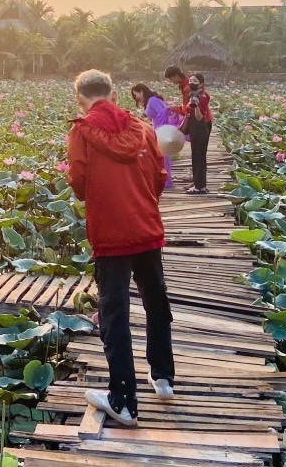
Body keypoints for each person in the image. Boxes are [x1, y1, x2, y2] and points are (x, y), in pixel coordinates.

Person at [68, 69, 175, 427]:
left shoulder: (81, 132)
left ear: (81, 100)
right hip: (146, 227)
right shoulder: (143, 129)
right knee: (156, 301)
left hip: (111, 235)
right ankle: (162, 378)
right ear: (113, 95)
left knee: (115, 315)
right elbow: (160, 177)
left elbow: (79, 185)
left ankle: (124, 402)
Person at [131, 83, 181, 189]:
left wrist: (161, 129)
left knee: (163, 155)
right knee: (161, 155)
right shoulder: (152, 100)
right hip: (158, 129)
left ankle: (166, 180)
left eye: (136, 95)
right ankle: (163, 179)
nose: (136, 98)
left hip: (161, 129)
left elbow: (163, 112)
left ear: (141, 91)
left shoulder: (153, 100)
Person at [183, 72, 212, 194]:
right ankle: (200, 184)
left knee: (198, 157)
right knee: (198, 156)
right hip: (195, 127)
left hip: (200, 127)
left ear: (201, 83)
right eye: (190, 81)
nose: (191, 83)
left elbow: (200, 117)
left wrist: (196, 106)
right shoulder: (194, 94)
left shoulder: (203, 97)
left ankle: (199, 186)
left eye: (194, 81)